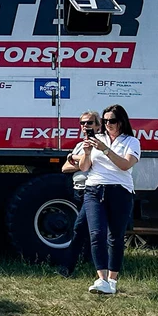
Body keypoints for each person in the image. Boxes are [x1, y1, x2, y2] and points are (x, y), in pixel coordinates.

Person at [78, 104, 140, 295]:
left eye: (111, 121)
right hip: (94, 189)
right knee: (96, 233)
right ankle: (101, 279)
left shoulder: (131, 141)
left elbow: (125, 165)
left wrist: (105, 150)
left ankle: (112, 280)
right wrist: (87, 153)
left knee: (115, 236)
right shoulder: (98, 139)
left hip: (120, 190)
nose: (107, 125)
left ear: (121, 122)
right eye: (104, 121)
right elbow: (83, 167)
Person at [58, 111, 101, 277]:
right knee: (84, 229)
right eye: (83, 123)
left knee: (85, 229)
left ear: (98, 125)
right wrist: (80, 161)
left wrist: (75, 159)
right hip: (79, 190)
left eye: (90, 123)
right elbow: (64, 168)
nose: (86, 126)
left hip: (94, 190)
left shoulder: (101, 143)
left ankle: (68, 267)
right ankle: (89, 263)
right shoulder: (80, 144)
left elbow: (91, 163)